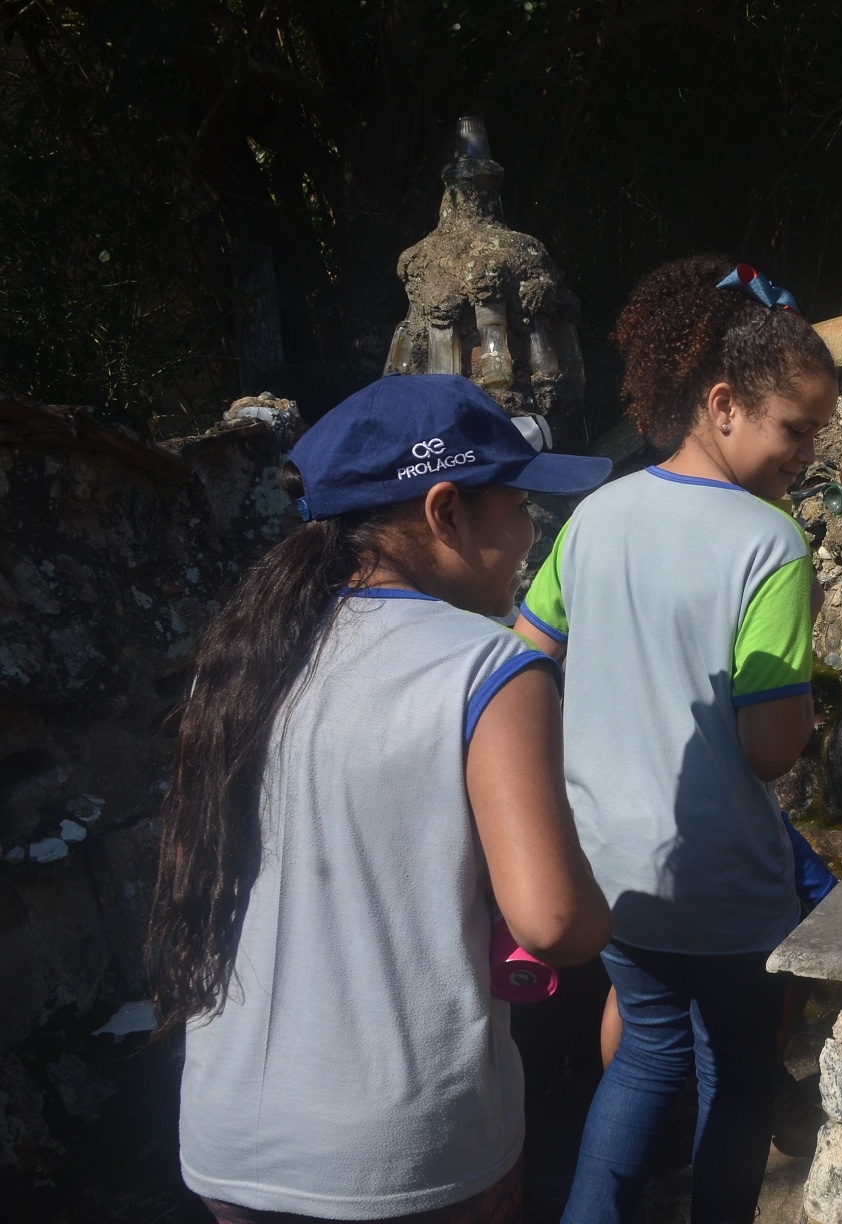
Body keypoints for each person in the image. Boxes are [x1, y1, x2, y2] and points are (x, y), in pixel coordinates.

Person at [148, 374, 614, 1224]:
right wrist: (608, 905)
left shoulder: (250, 655)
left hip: (232, 1139)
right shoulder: (488, 666)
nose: (528, 538)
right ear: (445, 512)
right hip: (406, 1154)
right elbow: (552, 921)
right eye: (518, 508)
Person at [514, 256, 835, 1224]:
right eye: (796, 429)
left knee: (647, 1057)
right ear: (726, 403)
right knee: (738, 1071)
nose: (807, 455)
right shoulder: (770, 542)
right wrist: (804, 705)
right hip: (724, 885)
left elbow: (525, 665)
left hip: (613, 872)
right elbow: (772, 747)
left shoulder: (594, 515)